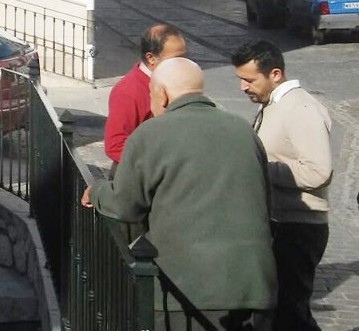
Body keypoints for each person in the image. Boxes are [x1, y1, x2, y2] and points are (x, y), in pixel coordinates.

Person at [83, 58, 275, 328]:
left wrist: (98, 191)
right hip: (253, 287)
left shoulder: (150, 134)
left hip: (186, 292)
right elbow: (266, 202)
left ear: (161, 94)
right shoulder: (243, 130)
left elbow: (125, 205)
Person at [232, 40, 331, 331]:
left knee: (291, 313)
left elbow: (318, 172)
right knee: (277, 312)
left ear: (275, 74)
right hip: (279, 224)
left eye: (249, 80)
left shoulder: (300, 108)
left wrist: (259, 168)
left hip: (298, 227)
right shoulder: (273, 105)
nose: (243, 87)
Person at [103, 23, 185, 170]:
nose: (182, 64)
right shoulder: (128, 92)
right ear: (151, 58)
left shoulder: (176, 80)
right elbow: (115, 145)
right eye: (176, 58)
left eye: (184, 57)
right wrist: (158, 167)